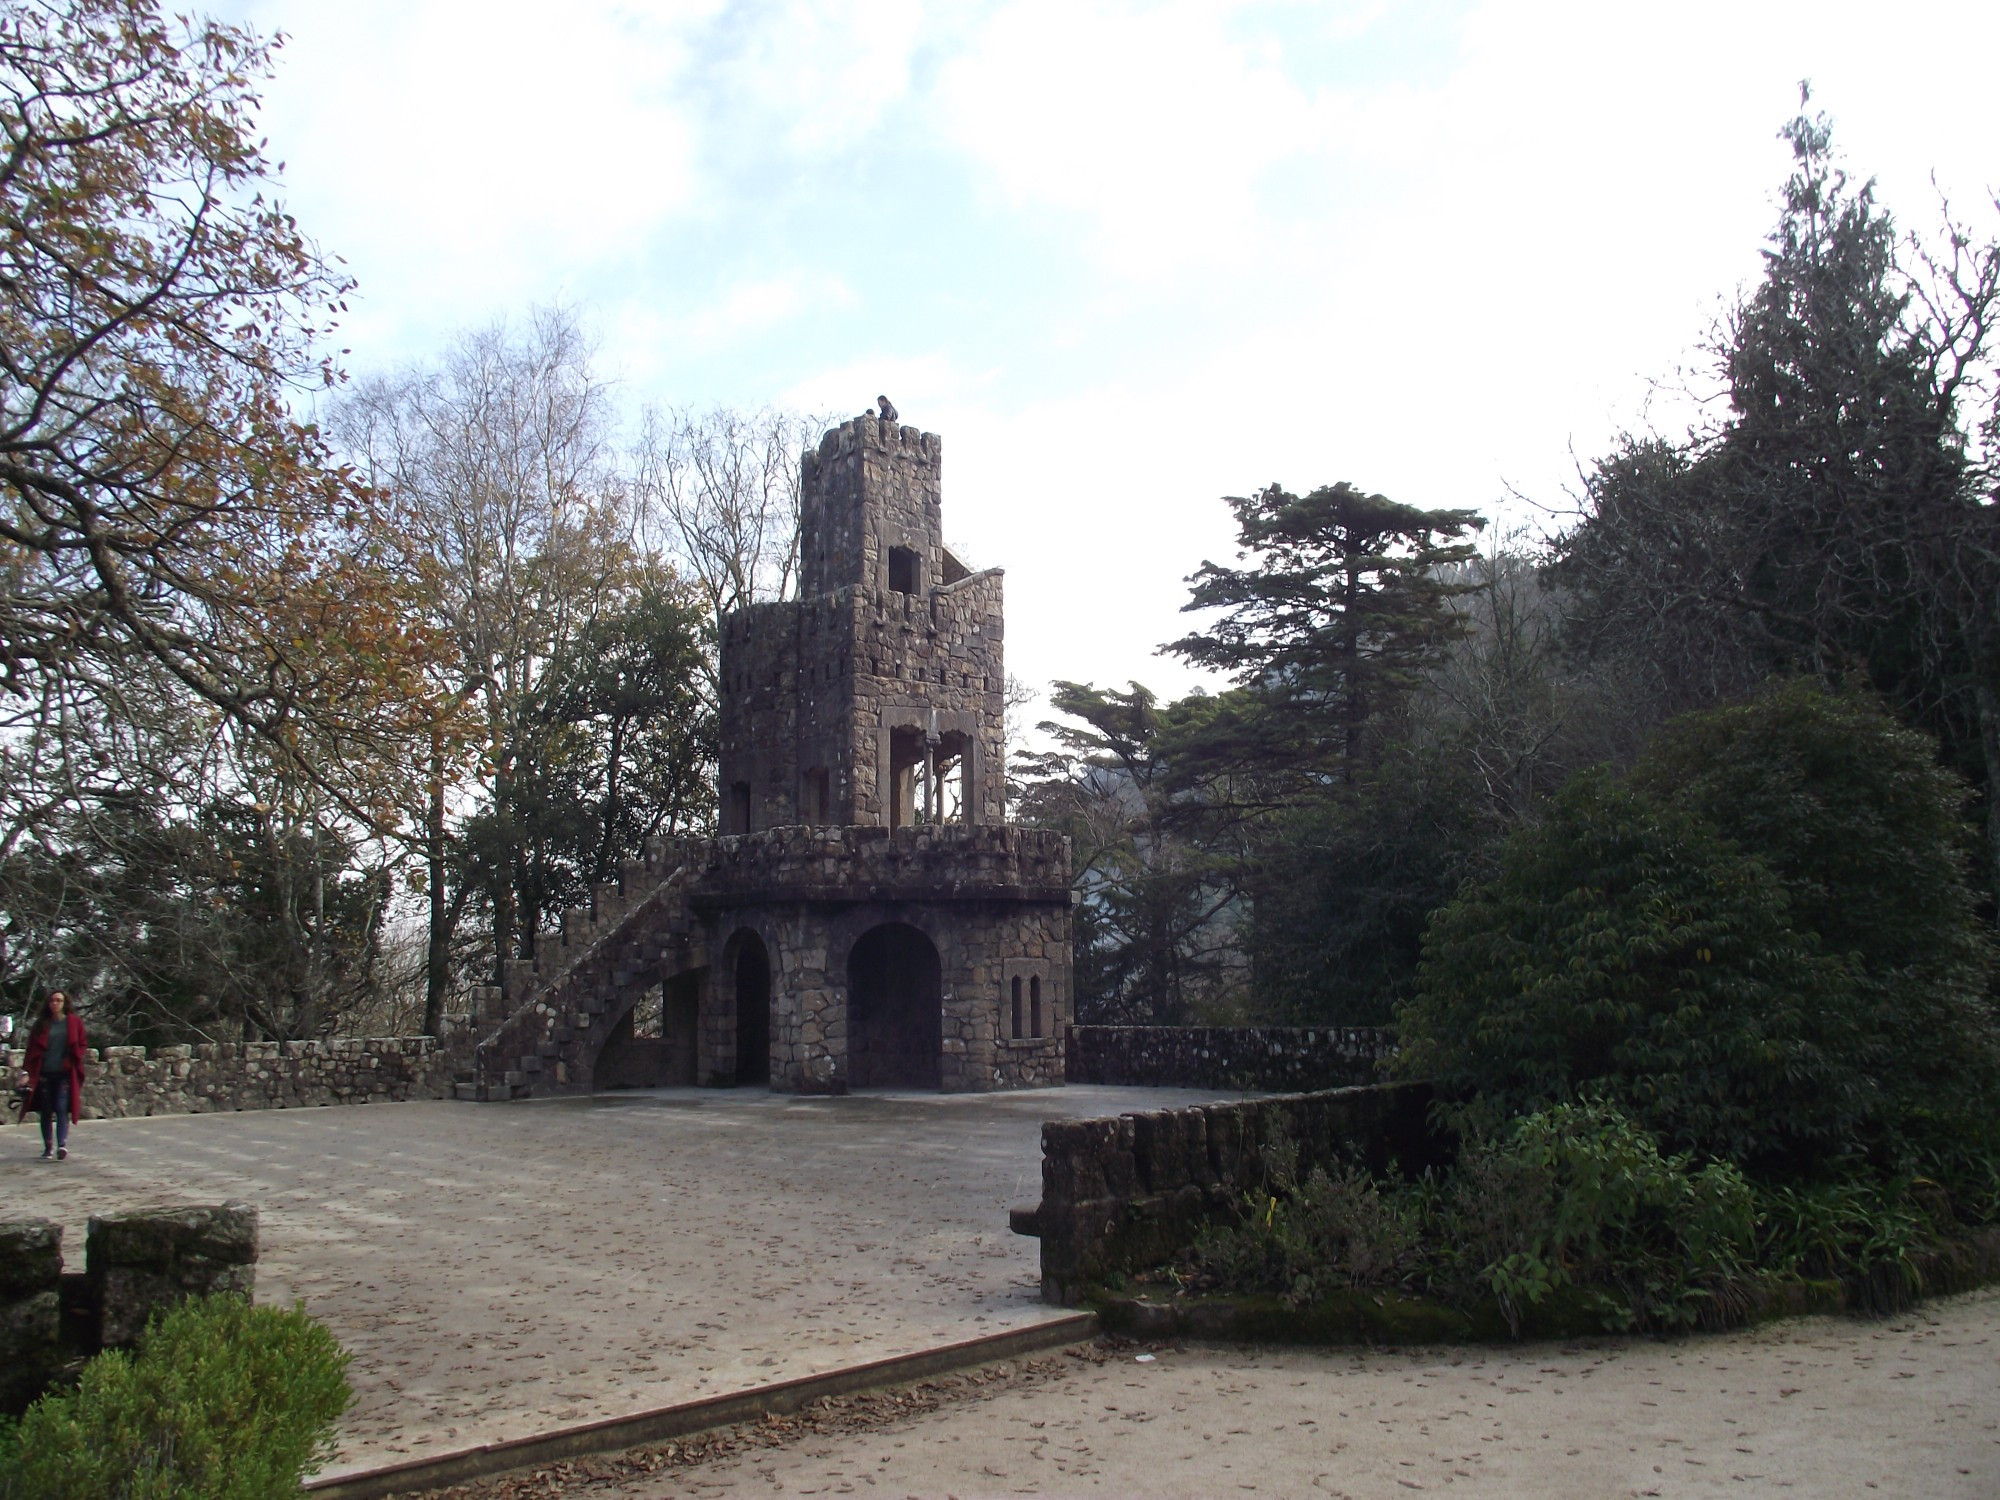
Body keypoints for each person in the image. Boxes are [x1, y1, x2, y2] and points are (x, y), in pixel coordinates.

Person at [21, 990, 86, 1160]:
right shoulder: (41, 1025)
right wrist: (25, 1072)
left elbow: (82, 1044)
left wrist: (73, 1058)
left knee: (61, 1106)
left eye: (59, 1000)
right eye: (52, 1001)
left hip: (64, 1073)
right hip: (44, 1073)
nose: (55, 1004)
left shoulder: (73, 1023)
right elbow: (31, 1050)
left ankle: (62, 1145)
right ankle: (48, 1147)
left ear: (65, 1003)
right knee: (46, 1110)